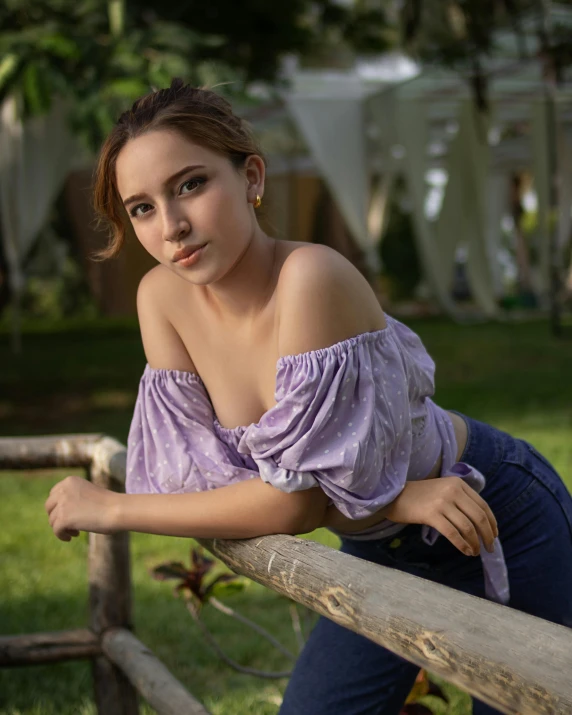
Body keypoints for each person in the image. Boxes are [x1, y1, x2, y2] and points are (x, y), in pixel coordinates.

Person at [44, 79, 572, 715]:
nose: (172, 226)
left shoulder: (310, 278)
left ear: (251, 177)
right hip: (385, 544)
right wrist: (392, 497)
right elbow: (196, 481)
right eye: (142, 208)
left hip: (493, 514)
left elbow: (291, 501)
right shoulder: (161, 299)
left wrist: (112, 509)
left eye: (190, 184)